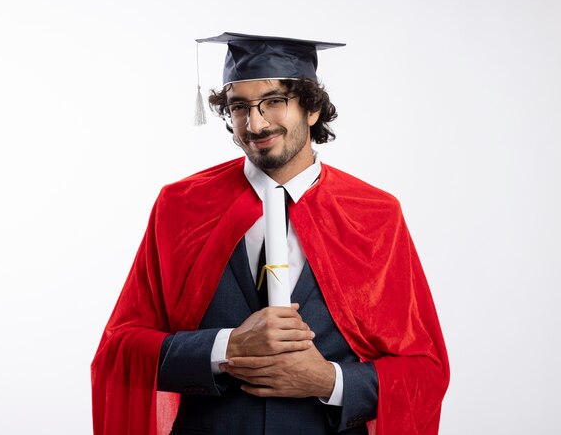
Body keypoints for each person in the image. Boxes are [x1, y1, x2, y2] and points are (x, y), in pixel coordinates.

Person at [91, 32, 449, 435]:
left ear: (311, 108)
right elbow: (120, 350)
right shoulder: (182, 205)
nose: (255, 123)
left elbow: (425, 370)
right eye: (239, 107)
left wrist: (330, 382)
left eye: (274, 101)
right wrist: (225, 347)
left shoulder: (374, 214)